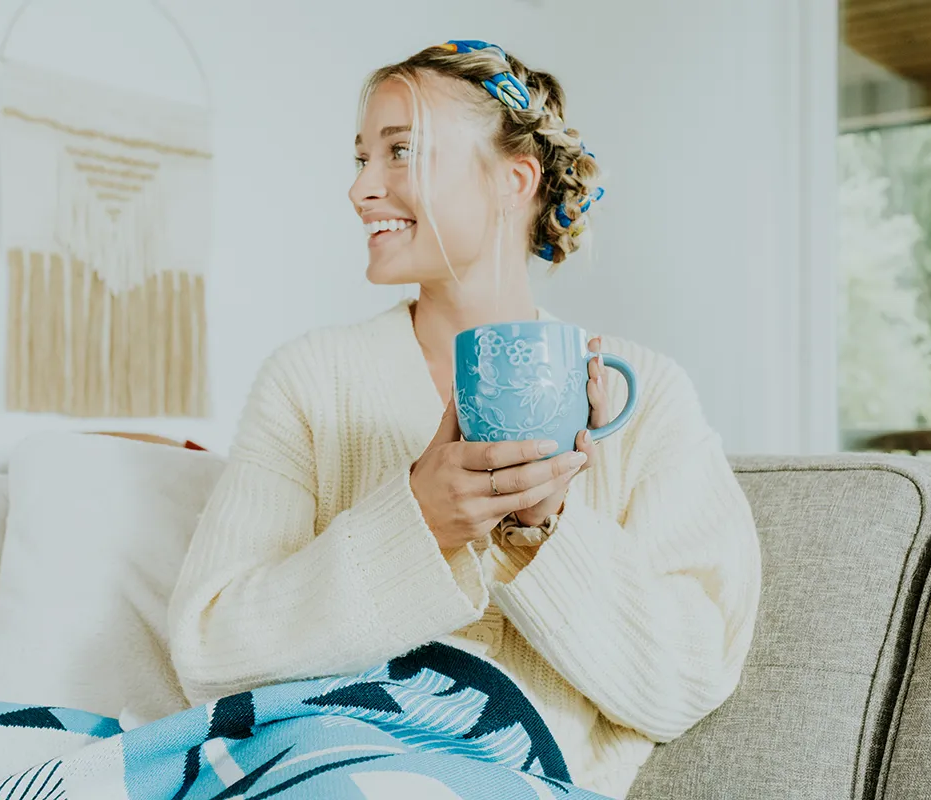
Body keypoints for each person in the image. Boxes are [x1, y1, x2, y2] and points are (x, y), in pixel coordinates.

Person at [168, 40, 761, 799]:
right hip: (304, 759)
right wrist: (415, 521)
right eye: (360, 159)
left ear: (513, 181)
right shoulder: (310, 380)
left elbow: (685, 680)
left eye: (401, 152)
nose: (361, 190)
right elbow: (210, 651)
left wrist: (544, 530)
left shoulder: (647, 399)